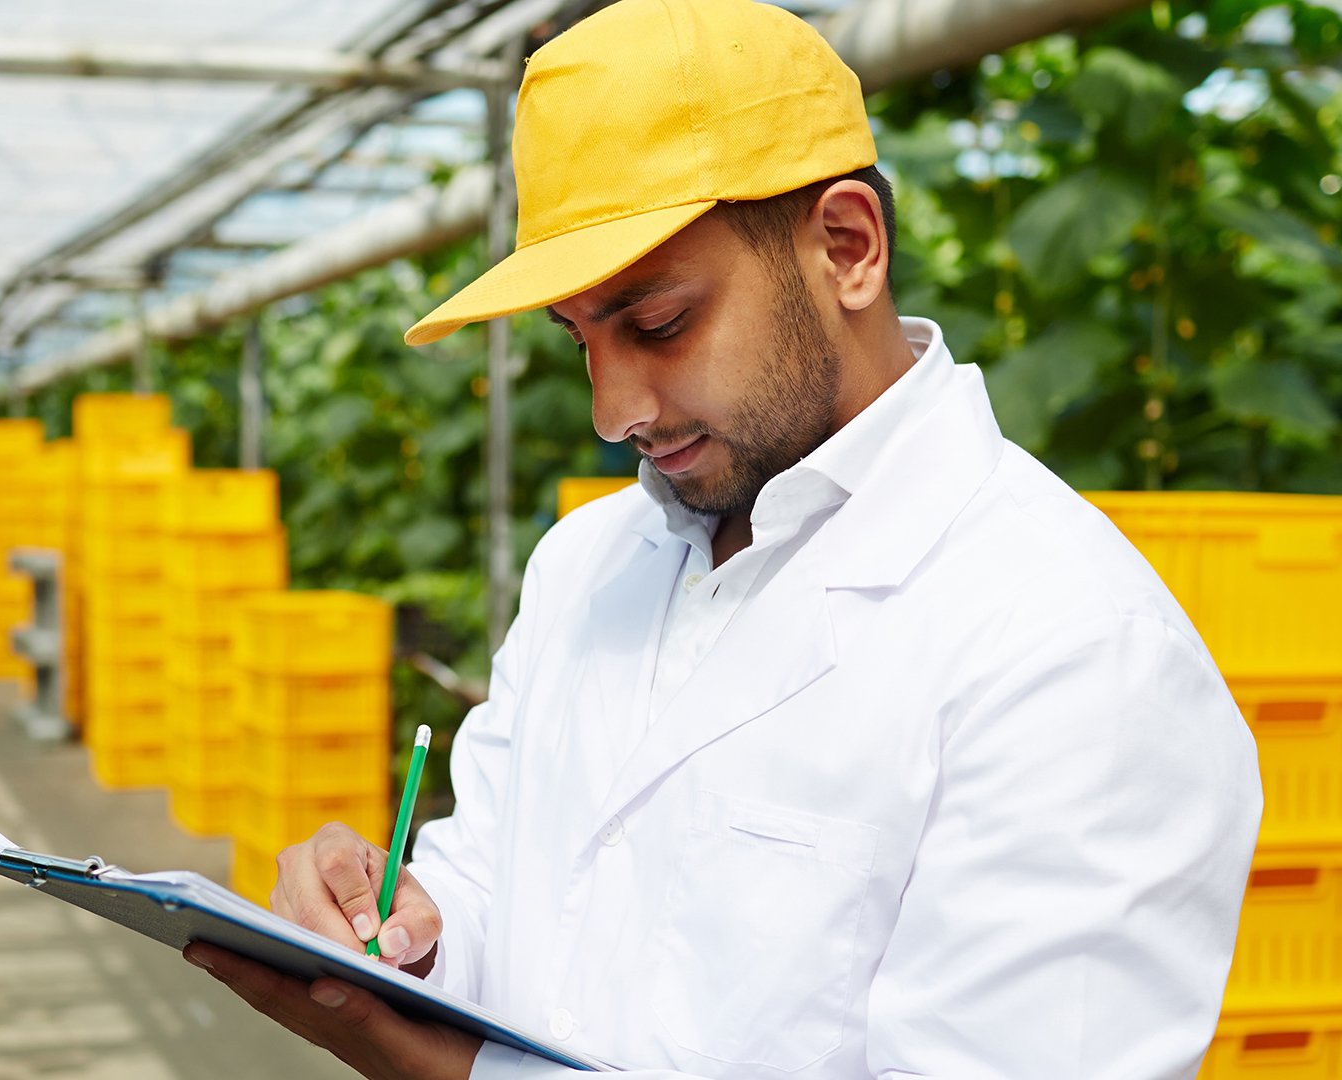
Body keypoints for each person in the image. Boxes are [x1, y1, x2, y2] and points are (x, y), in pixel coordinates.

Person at [184, 0, 1262, 1076]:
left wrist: (457, 1075)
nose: (614, 411)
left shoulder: (1070, 651)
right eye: (581, 340)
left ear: (847, 247)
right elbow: (504, 892)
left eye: (658, 323)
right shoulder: (586, 565)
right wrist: (408, 939)